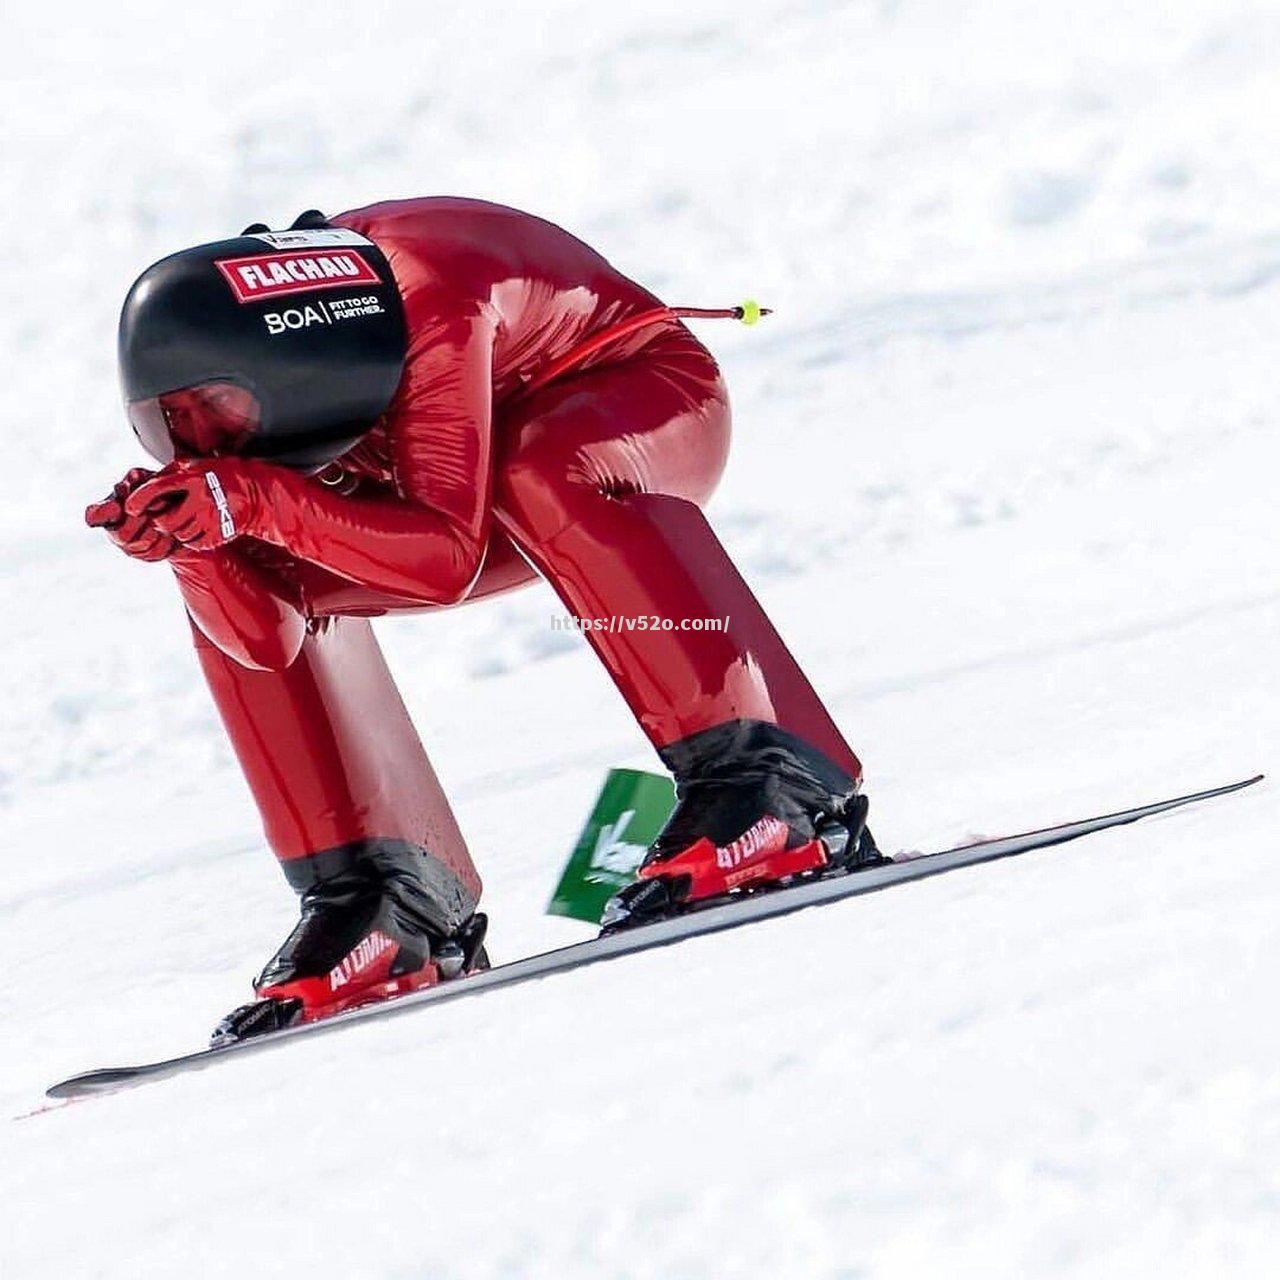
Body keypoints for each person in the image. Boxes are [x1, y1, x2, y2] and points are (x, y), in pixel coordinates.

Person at [85, 199, 876, 1042]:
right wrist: (199, 545)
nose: (207, 446)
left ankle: (776, 785)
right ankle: (386, 897)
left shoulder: (428, 297)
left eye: (218, 414)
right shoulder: (319, 358)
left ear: (299, 364)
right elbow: (264, 636)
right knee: (244, 541)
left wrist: (253, 500)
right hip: (466, 481)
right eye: (176, 429)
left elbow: (445, 559)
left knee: (538, 463)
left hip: (645, 405)